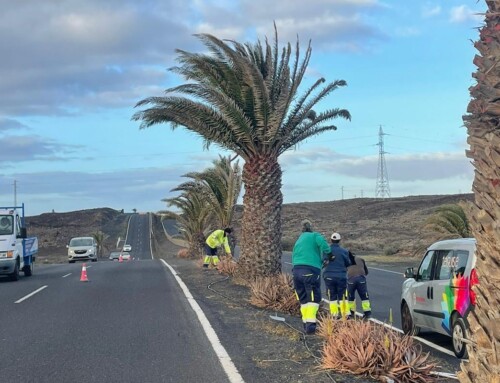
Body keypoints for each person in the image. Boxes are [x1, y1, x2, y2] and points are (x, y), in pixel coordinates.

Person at [292, 220, 331, 334]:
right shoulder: (315, 235)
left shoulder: (299, 239)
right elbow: (324, 245)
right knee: (314, 297)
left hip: (297, 270)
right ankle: (310, 325)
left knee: (303, 298)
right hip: (310, 269)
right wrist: (328, 255)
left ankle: (305, 323)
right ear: (311, 228)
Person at [323, 232, 351, 319]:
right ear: (339, 240)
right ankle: (345, 314)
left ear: (331, 240)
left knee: (332, 295)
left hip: (328, 276)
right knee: (343, 295)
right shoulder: (344, 251)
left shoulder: (326, 251)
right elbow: (348, 263)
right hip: (341, 276)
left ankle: (334, 314)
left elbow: (323, 261)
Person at [347, 251, 372, 319]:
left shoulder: (346, 260)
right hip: (361, 279)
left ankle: (351, 312)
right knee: (364, 297)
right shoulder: (361, 259)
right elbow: (366, 271)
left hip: (351, 279)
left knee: (351, 296)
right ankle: (367, 314)